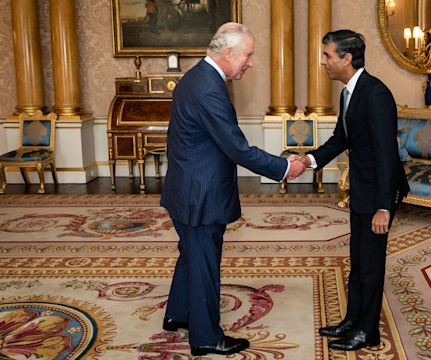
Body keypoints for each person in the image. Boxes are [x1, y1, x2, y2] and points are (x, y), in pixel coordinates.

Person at [160, 22, 306, 356]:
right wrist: (285, 167)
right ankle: (207, 337)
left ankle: (179, 314)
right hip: (200, 194)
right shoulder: (209, 88)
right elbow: (237, 148)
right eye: (248, 55)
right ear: (228, 53)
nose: (250, 63)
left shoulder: (197, 76)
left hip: (186, 187)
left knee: (190, 255)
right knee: (204, 264)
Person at [294, 29, 410, 351]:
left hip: (378, 196)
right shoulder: (348, 92)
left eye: (327, 55)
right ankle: (352, 321)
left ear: (347, 58)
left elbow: (387, 154)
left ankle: (367, 332)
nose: (323, 62)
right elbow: (341, 139)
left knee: (371, 265)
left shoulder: (375, 94)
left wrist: (384, 207)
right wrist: (310, 159)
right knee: (358, 261)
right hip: (362, 190)